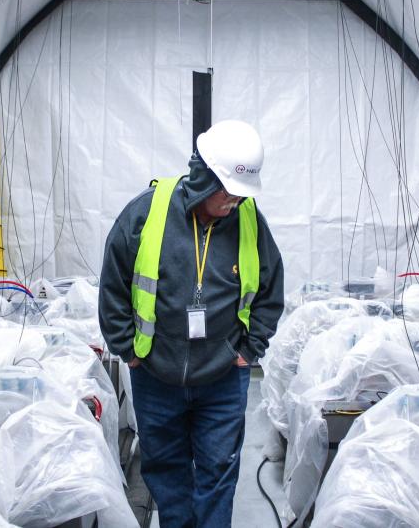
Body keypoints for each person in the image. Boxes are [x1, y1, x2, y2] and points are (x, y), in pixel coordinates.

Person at [99, 120, 285, 528]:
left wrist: (248, 352)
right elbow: (113, 283)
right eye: (228, 192)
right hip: (156, 375)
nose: (234, 201)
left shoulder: (249, 221)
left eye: (240, 194)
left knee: (219, 473)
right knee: (166, 473)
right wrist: (127, 350)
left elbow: (271, 291)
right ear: (204, 177)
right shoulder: (146, 213)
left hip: (222, 377)